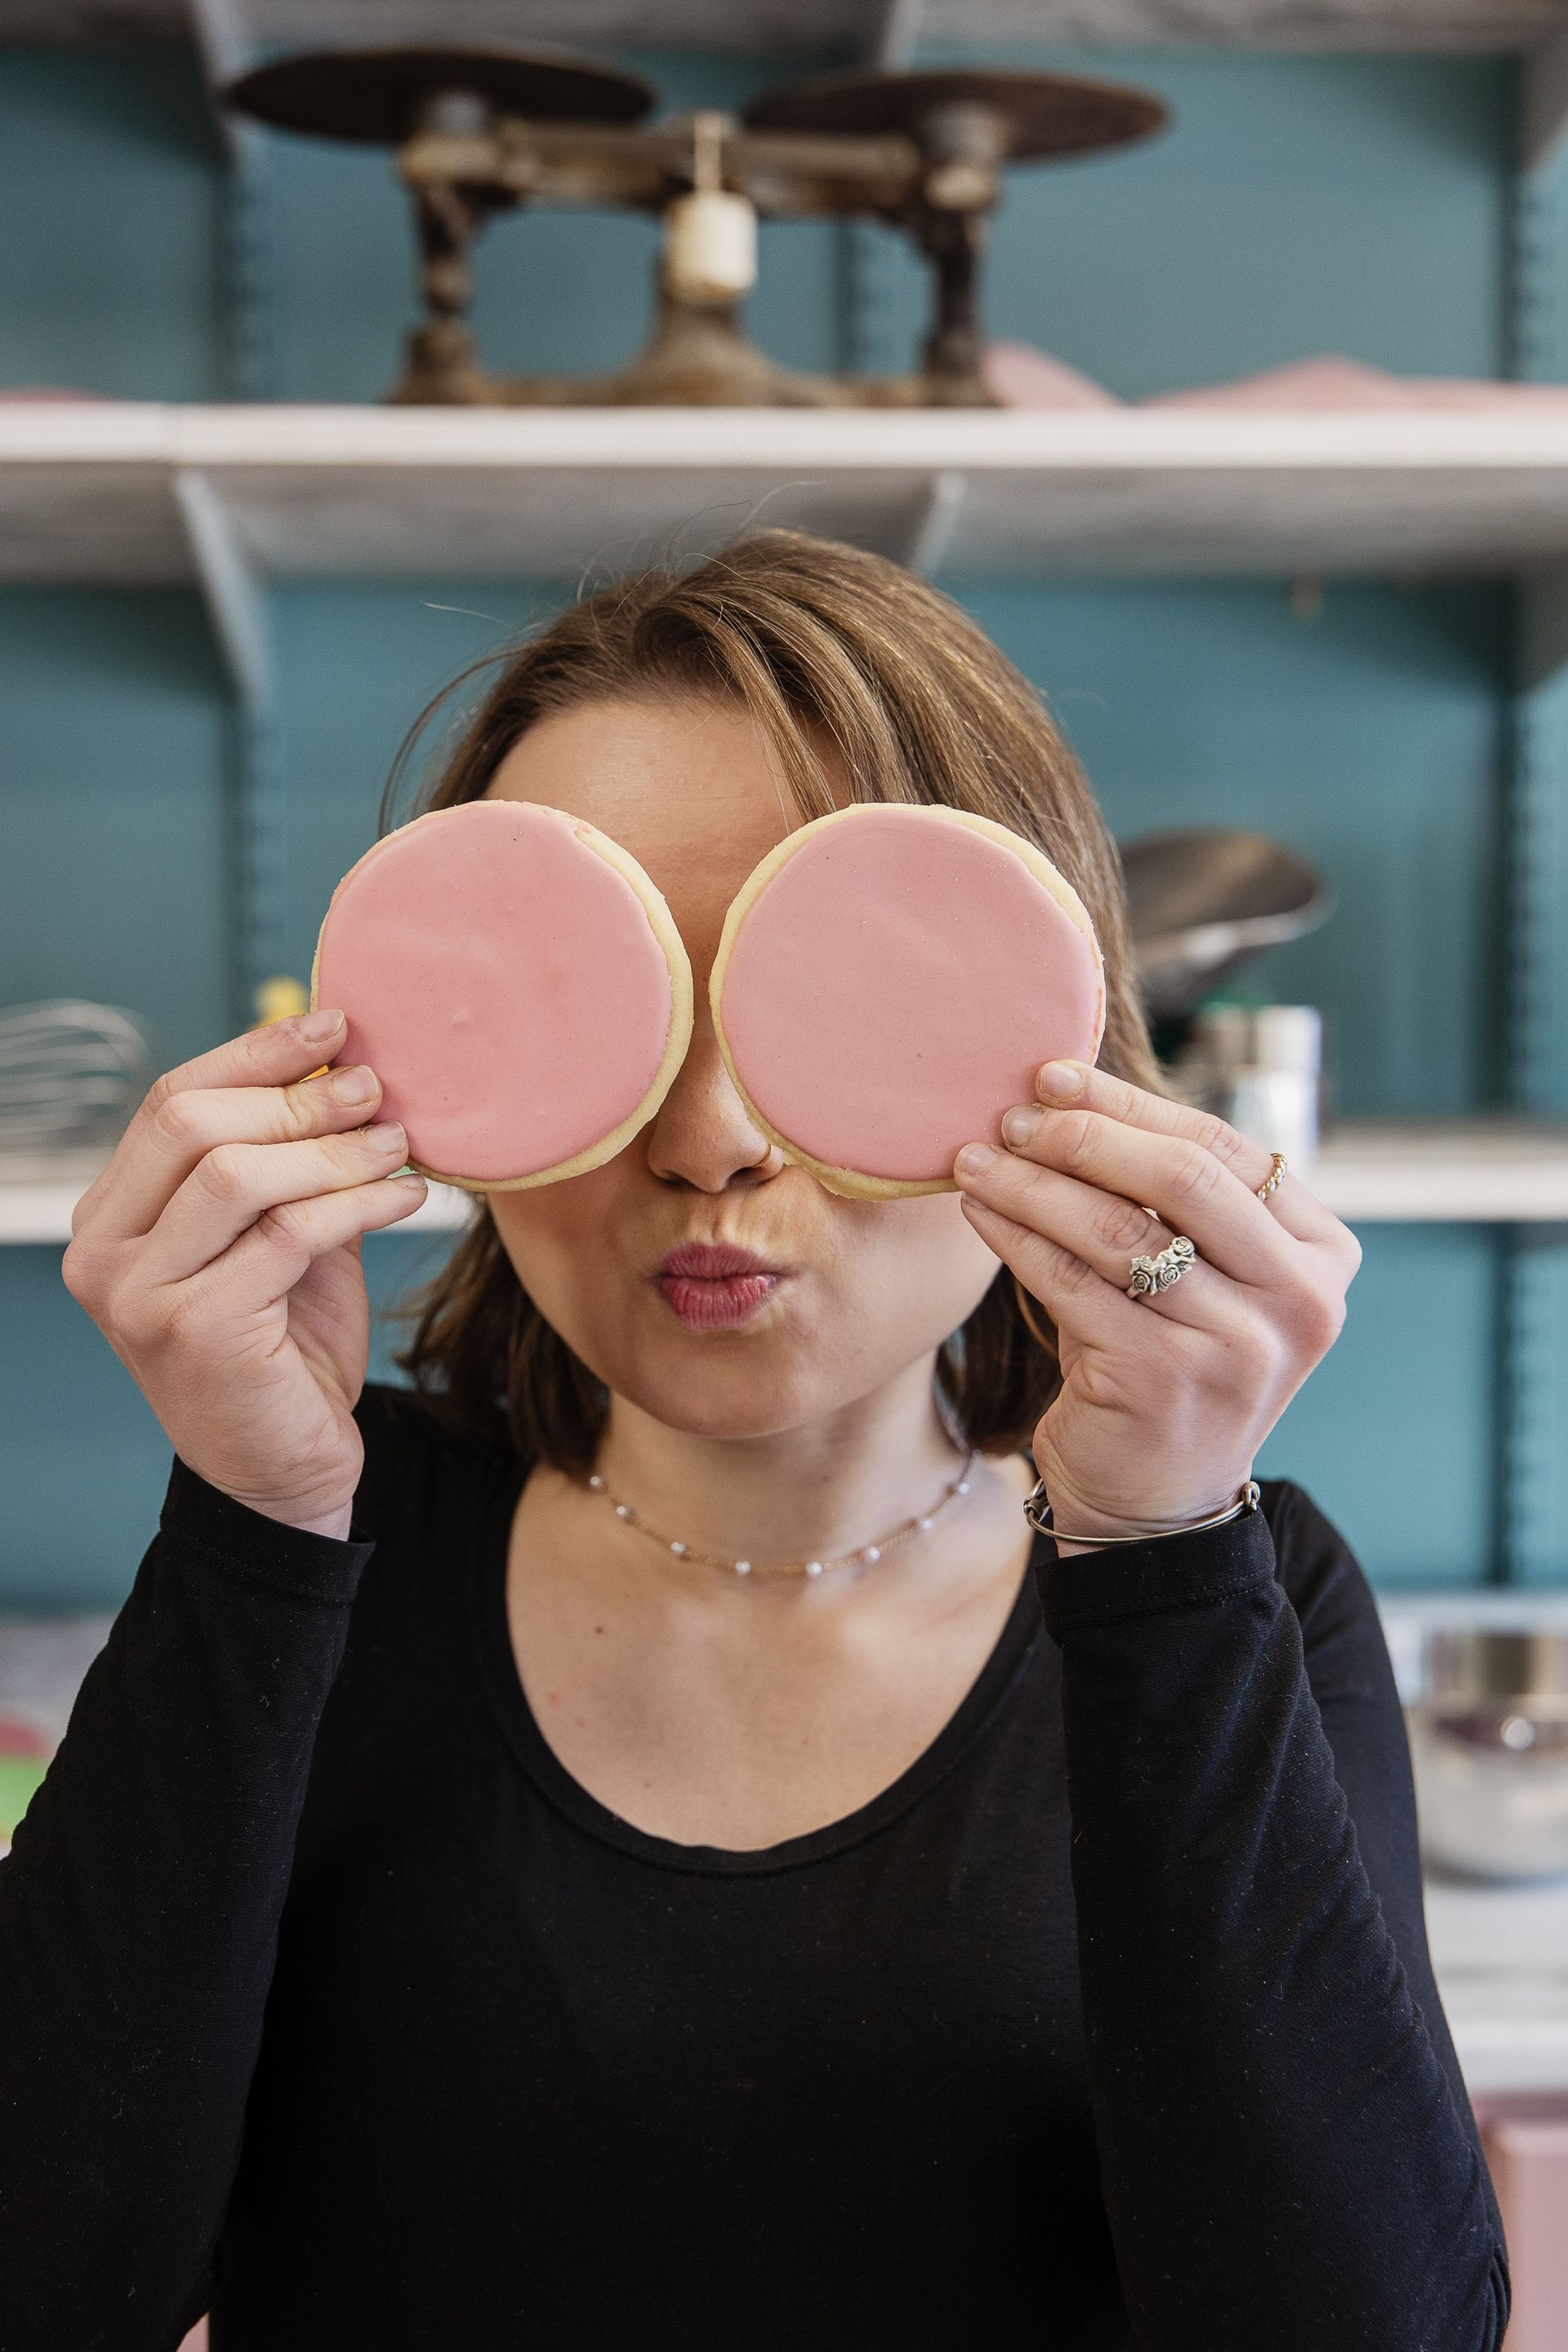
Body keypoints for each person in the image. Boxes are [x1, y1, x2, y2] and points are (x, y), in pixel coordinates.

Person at [1, 533, 1506, 2351]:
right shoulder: (322, 1546)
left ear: (1070, 1044)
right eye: (613, 1002)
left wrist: (1166, 1549)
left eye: (833, 1003)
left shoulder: (1231, 1578)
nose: (709, 1136)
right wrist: (250, 1526)